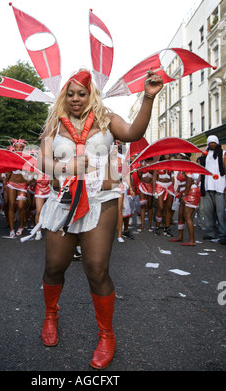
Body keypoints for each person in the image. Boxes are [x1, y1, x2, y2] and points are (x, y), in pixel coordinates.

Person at [38, 68, 163, 369]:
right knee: (55, 267)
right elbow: (42, 160)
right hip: (63, 201)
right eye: (71, 94)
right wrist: (67, 170)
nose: (76, 99)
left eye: (81, 93)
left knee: (96, 268)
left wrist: (147, 97)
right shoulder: (55, 122)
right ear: (64, 97)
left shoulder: (107, 119)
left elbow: (135, 133)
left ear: (90, 94)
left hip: (100, 201)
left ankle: (106, 335)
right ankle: (51, 315)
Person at [200, 135, 226, 245]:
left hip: (220, 186)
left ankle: (223, 234)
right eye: (210, 142)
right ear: (208, 143)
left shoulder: (223, 153)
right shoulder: (204, 155)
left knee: (220, 212)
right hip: (207, 186)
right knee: (208, 212)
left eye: (214, 142)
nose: (212, 144)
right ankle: (211, 233)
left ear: (217, 143)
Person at [169, 155, 201, 246]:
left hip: (191, 192)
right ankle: (180, 236)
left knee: (187, 216)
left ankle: (192, 240)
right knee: (180, 215)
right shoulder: (182, 169)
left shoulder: (188, 169)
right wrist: (179, 189)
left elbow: (189, 182)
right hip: (185, 192)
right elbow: (181, 182)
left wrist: (184, 194)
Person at [4, 140, 30, 238]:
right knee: (11, 205)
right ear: (14, 149)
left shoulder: (27, 159)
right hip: (12, 184)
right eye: (17, 147)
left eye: (21, 147)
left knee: (20, 206)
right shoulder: (11, 159)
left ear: (23, 149)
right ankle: (11, 229)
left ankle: (21, 226)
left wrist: (27, 183)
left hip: (22, 185)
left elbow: (33, 173)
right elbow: (9, 173)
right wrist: (5, 183)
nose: (19, 149)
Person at [153, 154, 175, 237]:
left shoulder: (170, 165)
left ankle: (167, 227)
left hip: (169, 185)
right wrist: (154, 189)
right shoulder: (157, 165)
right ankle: (157, 226)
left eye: (169, 154)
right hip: (160, 185)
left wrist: (173, 186)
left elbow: (172, 177)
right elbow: (154, 177)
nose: (168, 156)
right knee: (160, 207)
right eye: (166, 154)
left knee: (169, 208)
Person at [138, 157, 154, 231]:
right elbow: (139, 176)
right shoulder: (142, 163)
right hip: (142, 185)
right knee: (142, 205)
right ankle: (142, 225)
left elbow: (155, 176)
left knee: (150, 206)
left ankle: (150, 225)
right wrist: (140, 169)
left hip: (150, 186)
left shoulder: (154, 163)